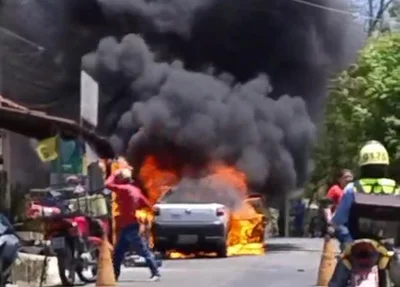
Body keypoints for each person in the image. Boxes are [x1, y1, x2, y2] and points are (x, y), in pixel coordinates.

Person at [328, 140, 400, 287]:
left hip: (357, 243)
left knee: (339, 274)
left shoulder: (352, 188)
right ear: (385, 165)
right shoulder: (396, 189)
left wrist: (332, 225)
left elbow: (339, 219)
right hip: (387, 244)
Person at [105, 168, 161, 282]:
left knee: (142, 250)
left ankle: (156, 272)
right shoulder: (135, 190)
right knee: (118, 253)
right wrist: (153, 209)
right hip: (129, 225)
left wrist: (114, 174)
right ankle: (114, 276)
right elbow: (145, 203)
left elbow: (107, 184)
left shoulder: (123, 189)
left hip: (129, 226)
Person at [323, 169, 353, 244]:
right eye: (345, 177)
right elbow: (327, 207)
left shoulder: (353, 190)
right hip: (339, 221)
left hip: (352, 221)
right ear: (339, 179)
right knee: (347, 236)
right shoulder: (335, 189)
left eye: (350, 177)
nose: (348, 179)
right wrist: (330, 222)